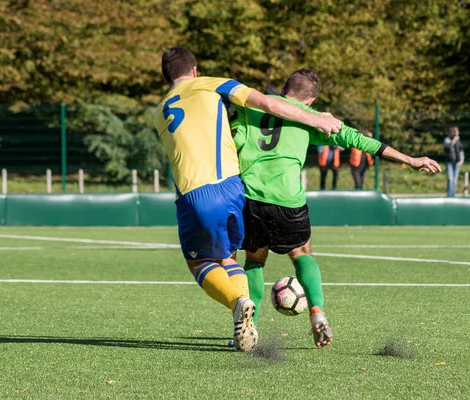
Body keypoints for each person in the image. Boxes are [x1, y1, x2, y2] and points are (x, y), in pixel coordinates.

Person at [232, 69, 441, 348]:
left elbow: (232, 142)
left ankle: (249, 326)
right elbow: (360, 141)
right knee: (302, 253)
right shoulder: (312, 119)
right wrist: (409, 159)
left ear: (284, 89)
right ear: (311, 100)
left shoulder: (254, 109)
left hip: (251, 198)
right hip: (287, 200)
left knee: (254, 261)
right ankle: (317, 311)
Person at [153, 48, 342, 352]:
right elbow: (268, 103)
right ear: (195, 70)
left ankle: (238, 301)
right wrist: (315, 118)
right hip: (232, 187)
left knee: (199, 261)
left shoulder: (160, 110)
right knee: (229, 257)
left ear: (166, 78)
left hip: (193, 192)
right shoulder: (214, 84)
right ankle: (247, 327)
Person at [444, 126, 464, 197]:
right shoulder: (447, 139)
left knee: (455, 180)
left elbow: (461, 151)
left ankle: (453, 195)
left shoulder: (459, 141)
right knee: (450, 179)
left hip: (457, 162)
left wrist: (461, 160)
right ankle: (449, 195)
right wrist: (455, 139)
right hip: (449, 162)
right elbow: (449, 146)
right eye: (454, 131)